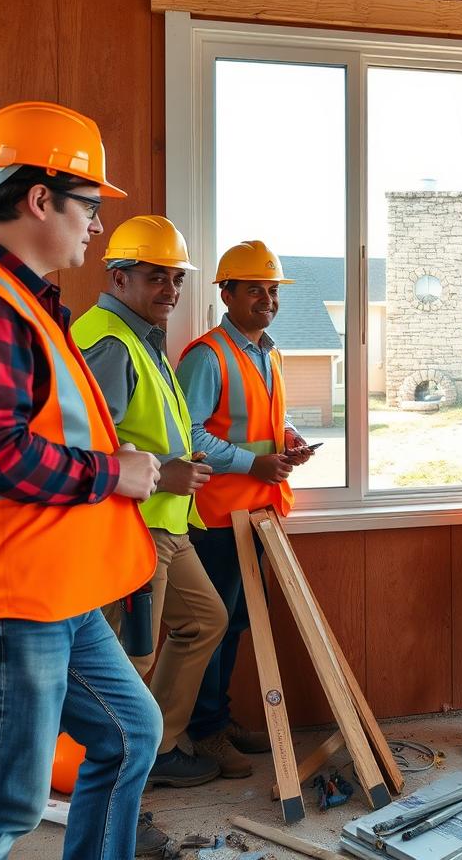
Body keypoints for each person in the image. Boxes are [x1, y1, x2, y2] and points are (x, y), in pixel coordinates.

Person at [0, 102, 167, 858]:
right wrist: (113, 474)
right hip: (3, 597)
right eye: (89, 206)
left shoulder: (23, 302)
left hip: (50, 587)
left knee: (129, 735)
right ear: (38, 199)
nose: (95, 226)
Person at [73, 215, 228, 788]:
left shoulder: (143, 336)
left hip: (166, 525)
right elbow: (93, 452)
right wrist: (168, 477)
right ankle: (122, 777)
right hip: (133, 525)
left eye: (176, 279)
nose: (170, 290)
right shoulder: (111, 342)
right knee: (129, 660)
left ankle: (157, 747)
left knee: (205, 620)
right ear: (118, 277)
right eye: (155, 277)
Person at [176, 240, 314, 777]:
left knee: (233, 623)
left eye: (272, 289)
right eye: (254, 288)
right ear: (226, 292)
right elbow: (186, 435)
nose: (267, 298)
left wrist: (286, 435)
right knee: (213, 626)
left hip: (257, 515)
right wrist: (251, 464)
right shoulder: (207, 356)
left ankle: (219, 718)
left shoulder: (268, 352)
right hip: (215, 517)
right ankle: (203, 732)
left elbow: (256, 421)